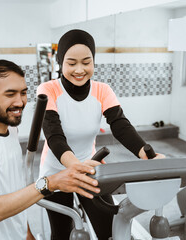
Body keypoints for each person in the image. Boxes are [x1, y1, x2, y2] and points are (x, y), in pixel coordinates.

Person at [37, 29, 165, 240]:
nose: (80, 69)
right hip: (56, 172)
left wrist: (148, 155)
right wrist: (75, 165)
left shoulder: (102, 90)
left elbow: (120, 125)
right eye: (71, 63)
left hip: (91, 168)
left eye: (86, 62)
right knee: (61, 233)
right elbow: (54, 135)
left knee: (108, 228)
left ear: (94, 62)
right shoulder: (48, 89)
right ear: (60, 63)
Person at [0, 59, 101, 240]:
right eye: (10, 94)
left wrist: (28, 234)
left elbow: (14, 194)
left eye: (23, 93)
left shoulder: (11, 132)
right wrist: (50, 183)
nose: (20, 102)